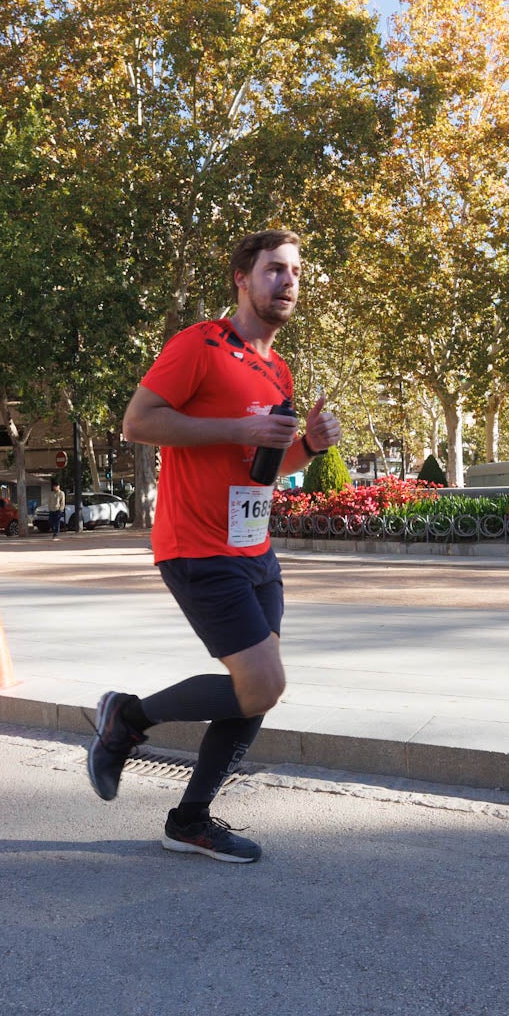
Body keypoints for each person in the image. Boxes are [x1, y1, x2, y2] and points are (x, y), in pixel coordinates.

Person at [89, 229, 340, 864]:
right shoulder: (198, 344)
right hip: (197, 546)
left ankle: (191, 818)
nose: (287, 282)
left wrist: (307, 445)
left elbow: (260, 467)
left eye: (294, 273)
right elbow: (139, 422)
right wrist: (242, 425)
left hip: (255, 548)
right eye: (274, 270)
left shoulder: (276, 367)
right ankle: (128, 718)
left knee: (260, 688)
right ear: (242, 278)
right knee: (261, 685)